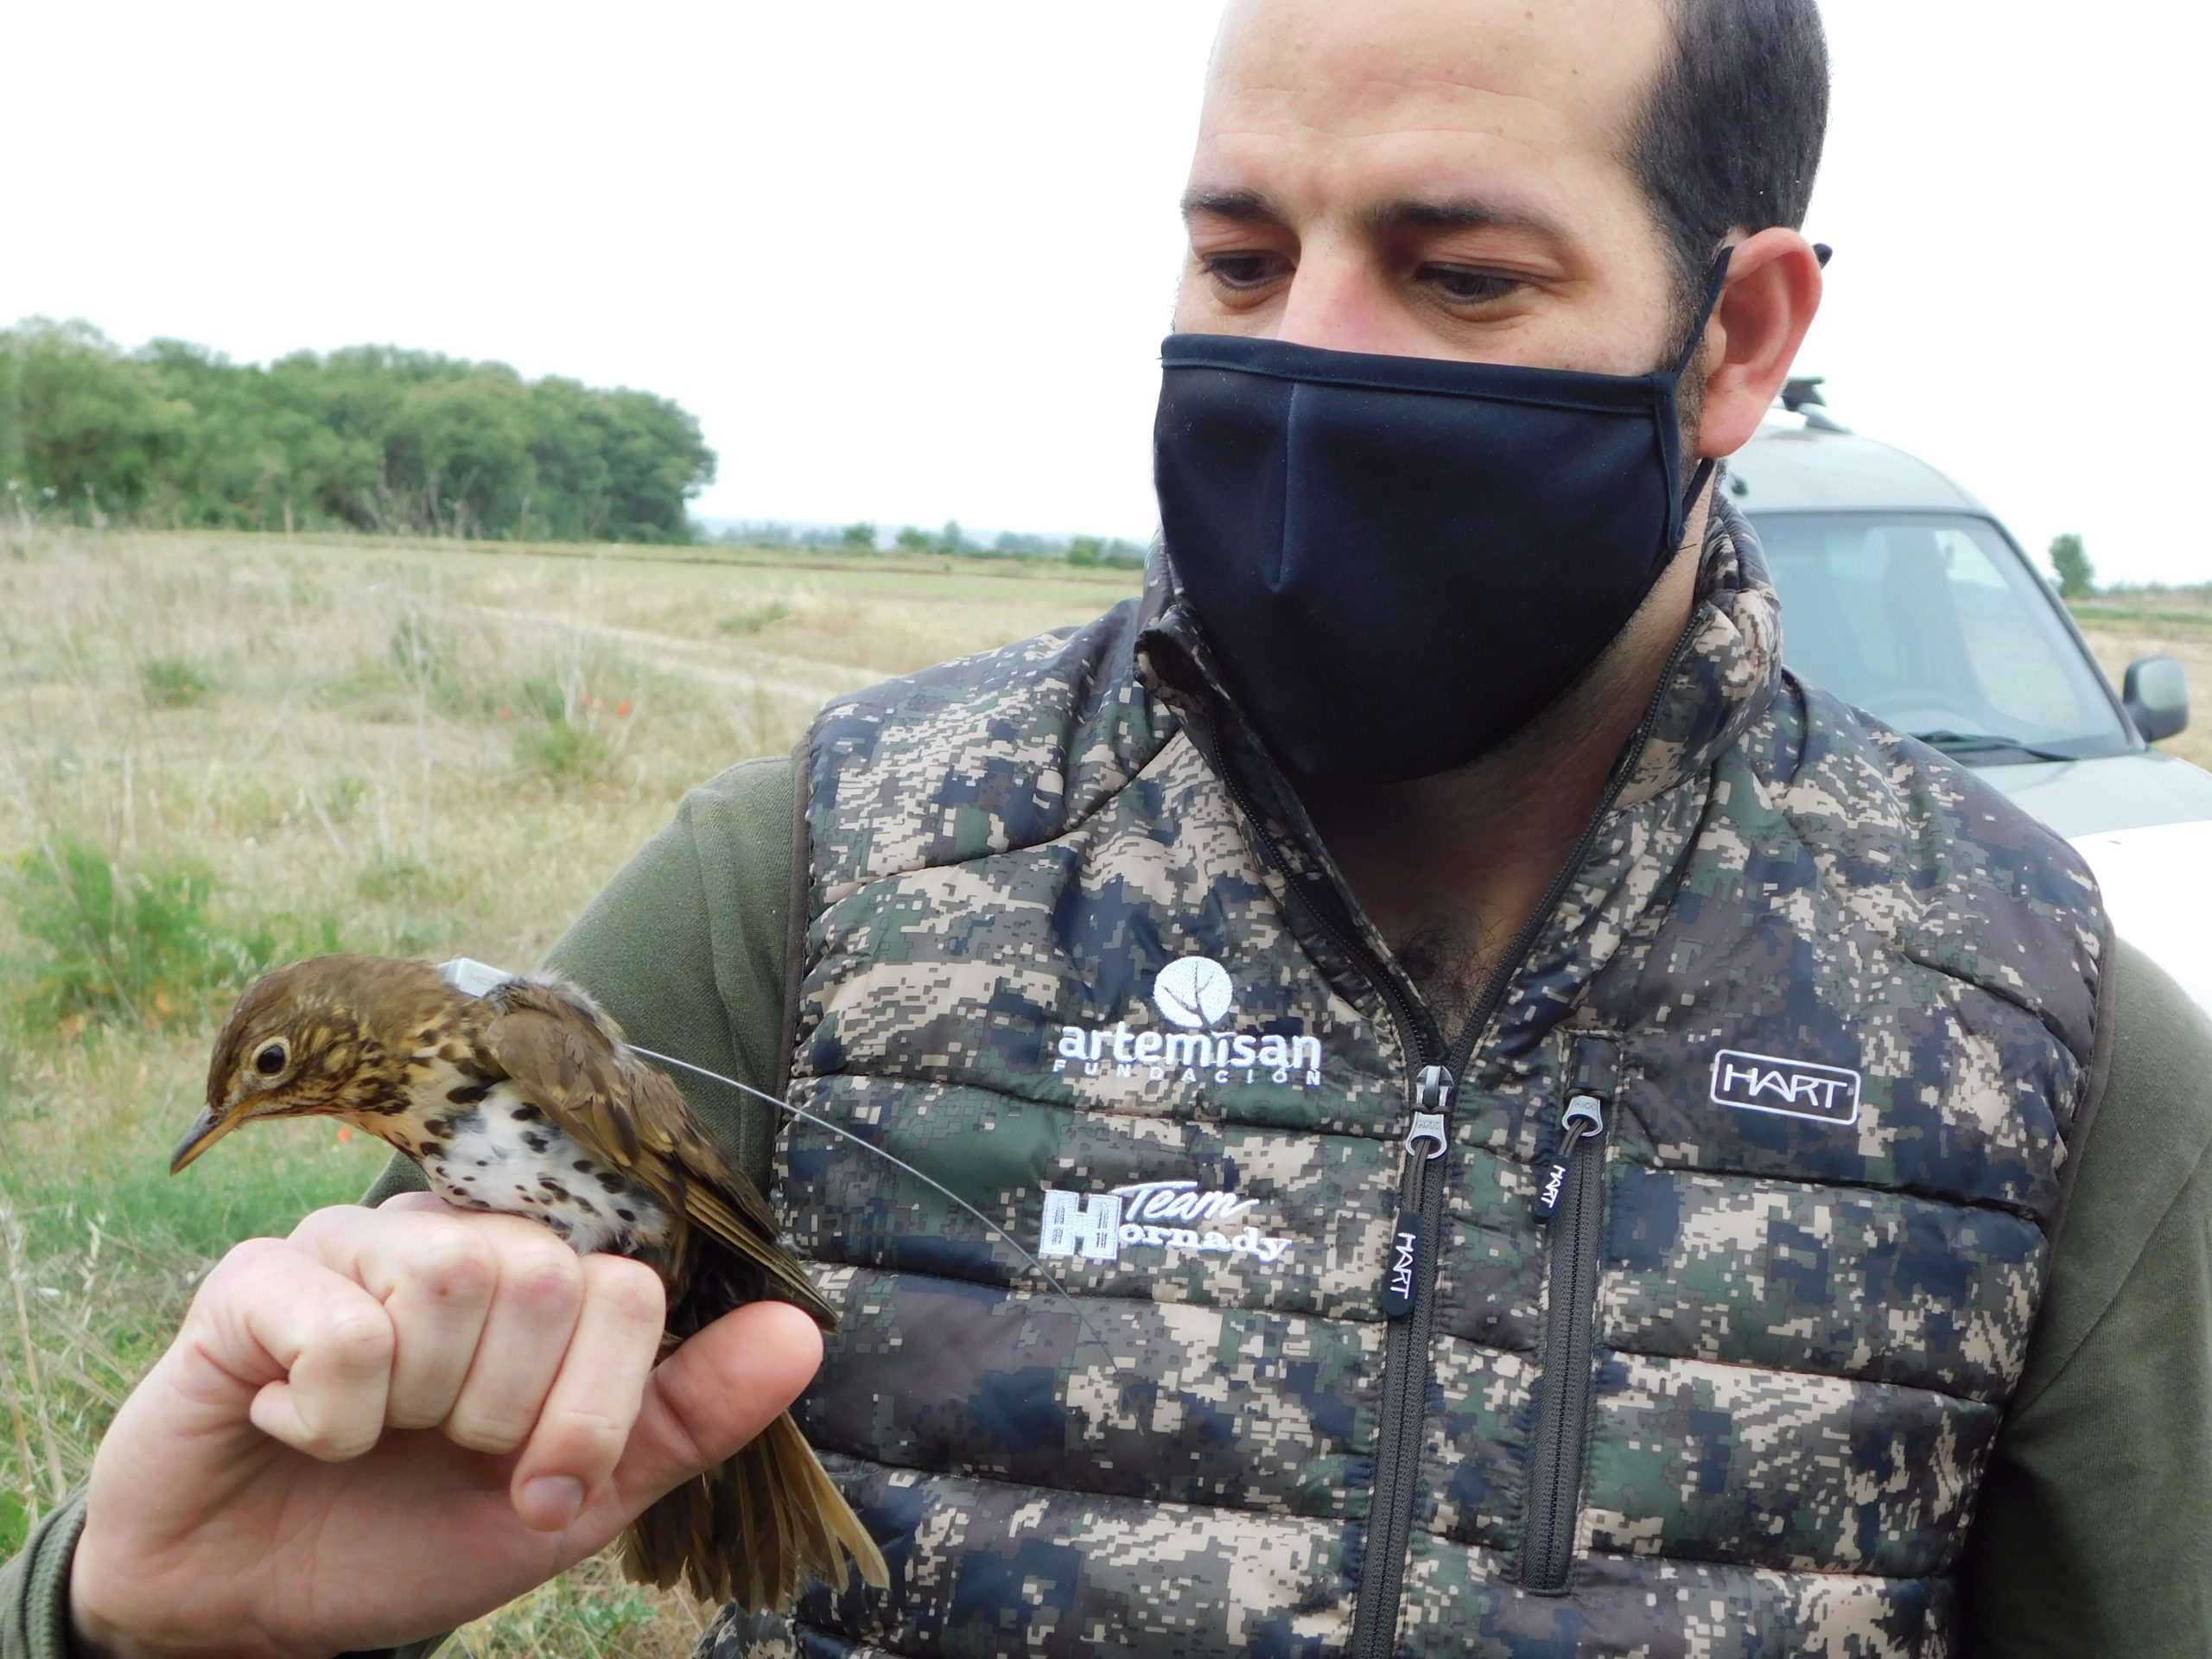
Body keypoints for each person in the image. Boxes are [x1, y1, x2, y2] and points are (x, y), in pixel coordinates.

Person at [11, 0, 2212, 1654]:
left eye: (1455, 276)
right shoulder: (822, 878)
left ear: (1734, 336)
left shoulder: (2037, 1041)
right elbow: (326, 1444)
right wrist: (127, 1619)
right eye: (1240, 258)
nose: (1301, 365)